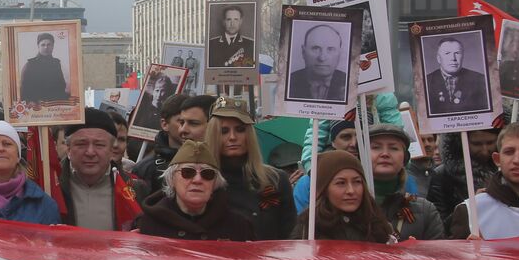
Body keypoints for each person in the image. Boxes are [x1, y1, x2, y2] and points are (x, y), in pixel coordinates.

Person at [202, 97, 294, 240]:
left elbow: (290, 235)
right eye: (224, 131)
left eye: (240, 130)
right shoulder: (201, 179)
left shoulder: (276, 179)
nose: (232, 137)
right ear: (213, 135)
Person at [133, 140, 254, 240]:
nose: (197, 180)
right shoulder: (147, 223)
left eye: (207, 174)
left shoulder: (238, 226)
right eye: (188, 172)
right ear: (172, 179)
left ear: (215, 183)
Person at [52, 108, 142, 230]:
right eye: (81, 144)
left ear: (111, 150)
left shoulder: (136, 192)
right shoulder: (51, 190)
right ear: (68, 149)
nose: (90, 152)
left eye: (99, 145)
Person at [292, 150, 396, 243]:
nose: (351, 191)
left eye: (357, 182)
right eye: (341, 183)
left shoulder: (378, 226)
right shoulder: (307, 229)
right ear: (324, 189)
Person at [449, 122, 519, 238]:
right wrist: (470, 254)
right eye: (509, 152)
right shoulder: (471, 210)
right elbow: (450, 255)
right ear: (497, 159)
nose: (517, 160)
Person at [365, 124, 443, 241]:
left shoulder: (425, 211)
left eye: (393, 148)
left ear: (405, 158)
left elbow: (440, 256)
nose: (385, 153)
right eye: (376, 147)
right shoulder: (346, 206)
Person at [133, 95, 211, 198]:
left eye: (193, 123)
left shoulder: (217, 161)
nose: (183, 129)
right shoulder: (146, 168)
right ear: (164, 124)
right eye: (181, 122)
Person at [427, 128, 498, 226]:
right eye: (476, 144)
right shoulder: (442, 175)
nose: (485, 150)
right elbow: (438, 226)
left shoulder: (509, 171)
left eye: (490, 143)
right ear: (461, 142)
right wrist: (471, 205)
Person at [292, 118, 361, 213]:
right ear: (333, 142)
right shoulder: (308, 185)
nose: (354, 144)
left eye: (361, 137)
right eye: (346, 137)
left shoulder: (377, 176)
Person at [424, 36, 489, 114]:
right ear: (438, 59)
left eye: (457, 53)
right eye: (447, 53)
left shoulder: (480, 80)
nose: (453, 58)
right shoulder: (425, 83)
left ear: (463, 56)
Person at [287, 24, 348, 101]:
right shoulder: (288, 83)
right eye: (316, 48)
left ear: (340, 53)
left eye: (330, 49)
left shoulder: (349, 82)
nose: (322, 58)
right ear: (303, 52)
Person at [19, 33, 68, 103]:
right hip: (36, 106)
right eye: (43, 45)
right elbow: (24, 89)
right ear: (38, 46)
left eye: (49, 44)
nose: (46, 47)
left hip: (54, 105)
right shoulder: (30, 64)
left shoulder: (56, 63)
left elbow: (62, 85)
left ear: (53, 46)